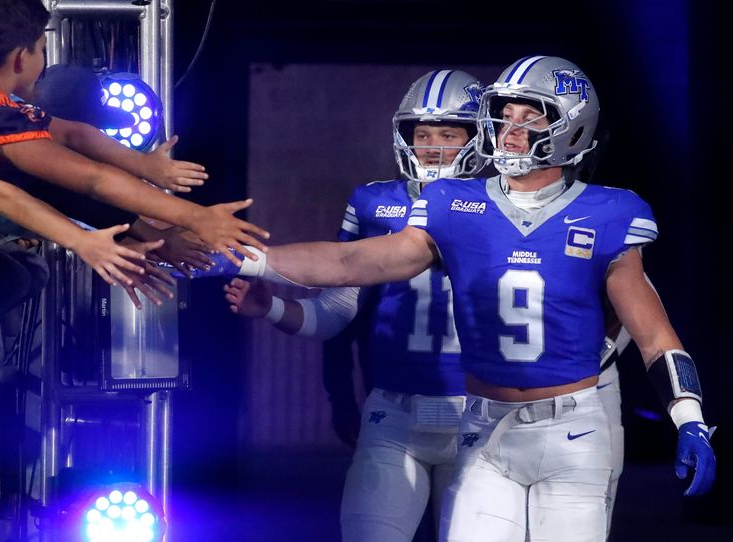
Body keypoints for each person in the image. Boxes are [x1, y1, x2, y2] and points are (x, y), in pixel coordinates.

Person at [202, 56, 716, 541]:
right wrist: (244, 256)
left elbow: (651, 334)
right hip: (484, 426)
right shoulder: (454, 204)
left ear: (571, 128)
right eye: (504, 115)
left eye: (530, 117)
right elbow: (351, 263)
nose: (510, 129)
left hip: (573, 429)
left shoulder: (610, 212)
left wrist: (689, 417)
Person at [227, 69, 485, 542]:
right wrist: (274, 309)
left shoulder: (505, 206)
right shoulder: (374, 202)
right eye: (422, 133)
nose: (431, 146)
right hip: (394, 414)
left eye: (448, 134)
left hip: (479, 418)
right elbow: (337, 312)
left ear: (478, 136)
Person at [0, 0, 269, 282]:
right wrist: (196, 217)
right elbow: (89, 179)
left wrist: (145, 167)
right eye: (42, 49)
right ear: (22, 57)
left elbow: (71, 135)